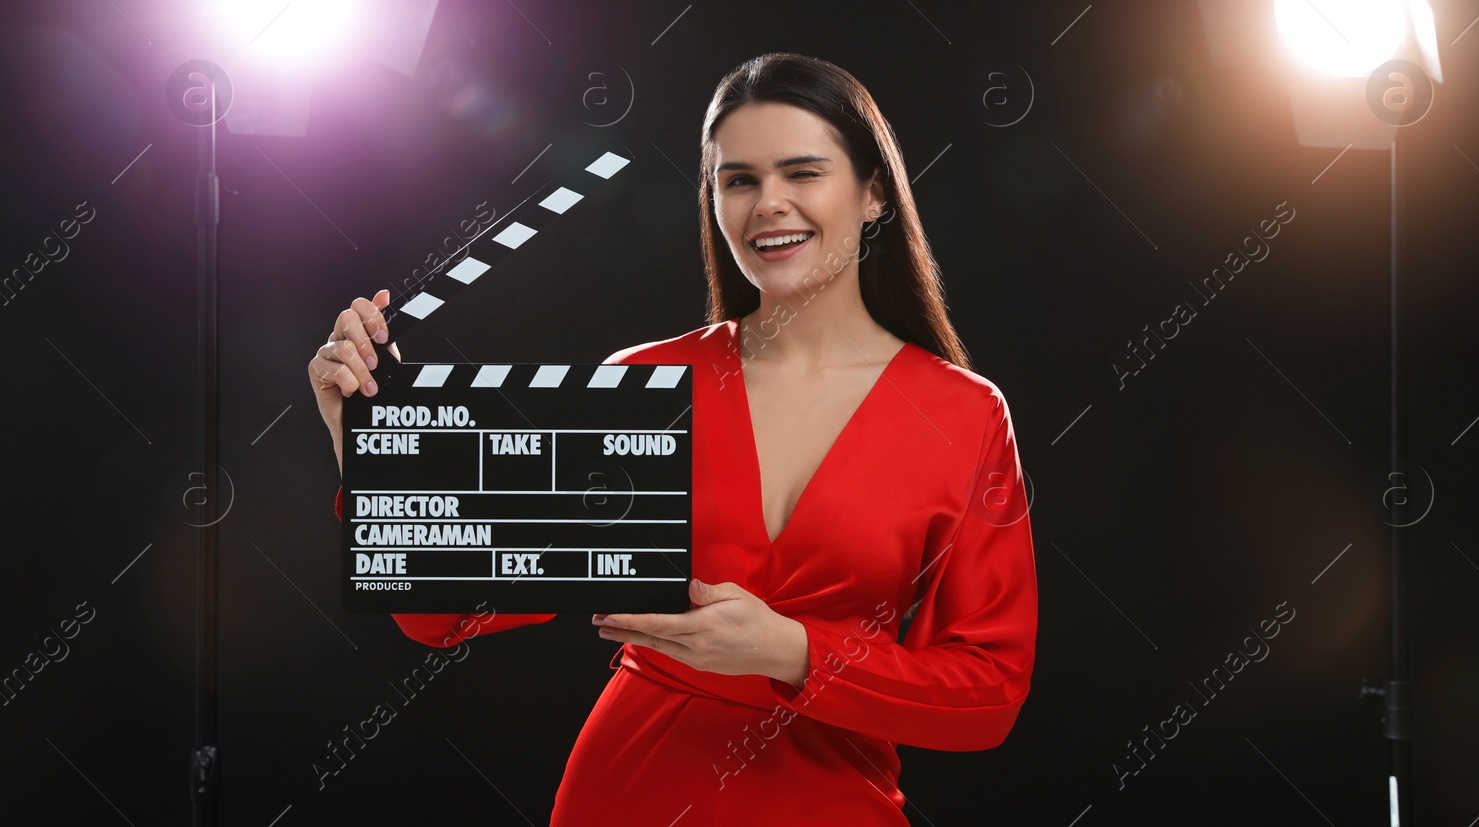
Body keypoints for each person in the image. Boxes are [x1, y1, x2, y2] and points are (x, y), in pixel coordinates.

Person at [307, 52, 1038, 824]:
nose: (769, 205)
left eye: (804, 172)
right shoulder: (645, 385)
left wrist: (791, 652)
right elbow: (442, 614)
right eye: (739, 179)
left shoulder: (961, 414)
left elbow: (986, 695)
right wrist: (370, 448)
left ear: (874, 193)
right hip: (627, 798)